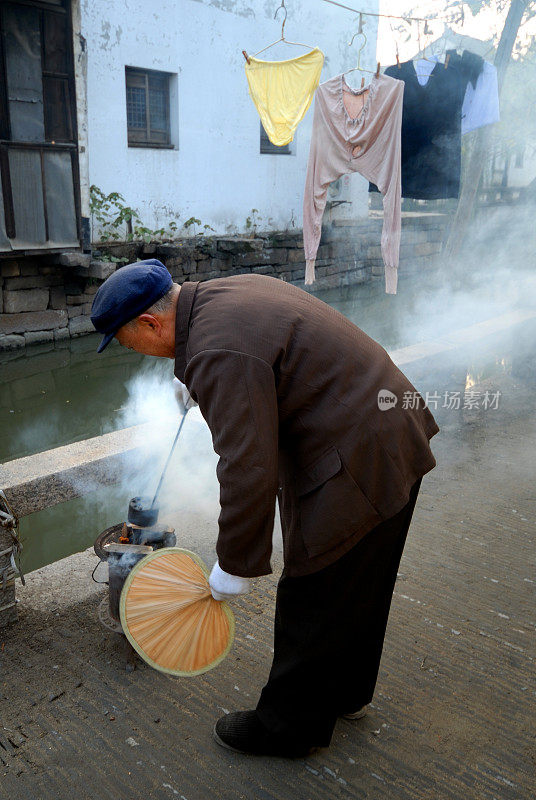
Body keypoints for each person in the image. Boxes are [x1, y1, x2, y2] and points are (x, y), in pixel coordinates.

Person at [91, 259, 439, 758]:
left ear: (150, 323)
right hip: (388, 426)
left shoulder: (216, 348)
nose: (138, 354)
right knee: (362, 581)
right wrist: (196, 376)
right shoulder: (221, 294)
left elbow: (246, 466)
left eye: (128, 343)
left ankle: (289, 728)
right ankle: (346, 694)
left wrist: (233, 564)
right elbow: (262, 357)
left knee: (313, 591)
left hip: (359, 454)